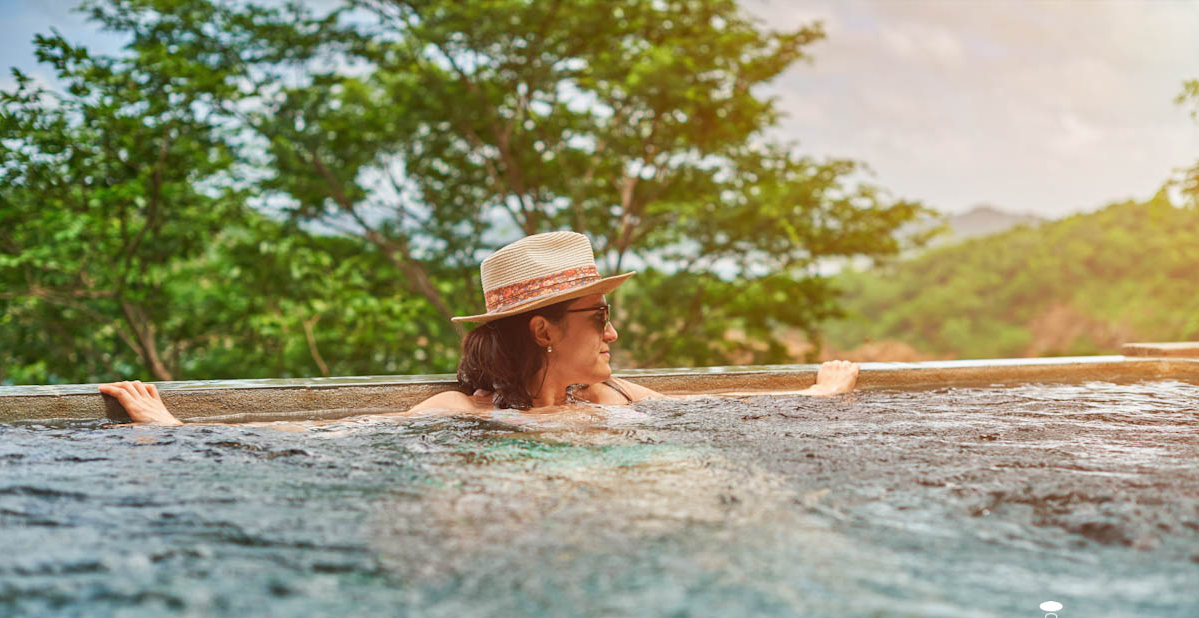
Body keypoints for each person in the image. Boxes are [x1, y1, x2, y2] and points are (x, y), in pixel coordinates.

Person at [99, 231, 859, 424]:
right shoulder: (463, 417)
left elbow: (725, 413)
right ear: (541, 330)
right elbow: (324, 441)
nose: (613, 335)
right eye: (599, 318)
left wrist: (818, 396)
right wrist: (174, 427)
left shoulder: (618, 398)